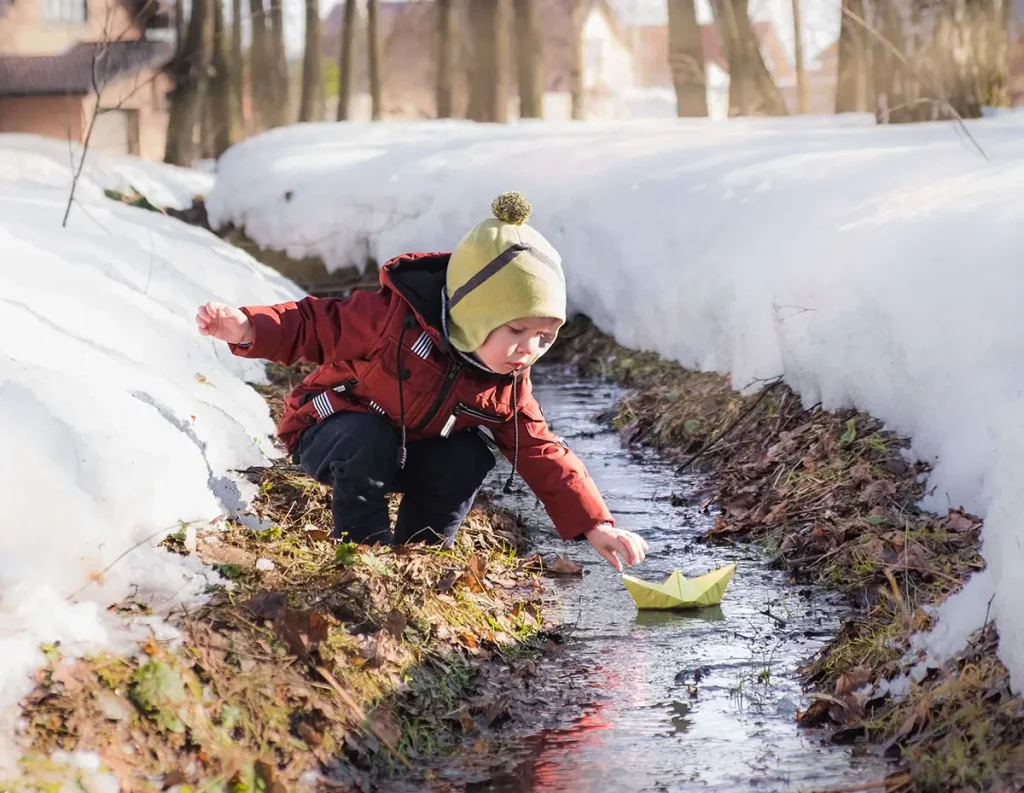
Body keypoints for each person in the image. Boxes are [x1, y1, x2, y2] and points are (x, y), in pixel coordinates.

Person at [196, 191, 647, 572]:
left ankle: (419, 556)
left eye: (544, 337)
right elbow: (315, 323)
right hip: (330, 433)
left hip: (406, 453)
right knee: (367, 435)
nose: (528, 349)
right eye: (515, 331)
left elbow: (538, 447)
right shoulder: (391, 321)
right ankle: (363, 554)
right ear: (475, 313)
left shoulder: (505, 382)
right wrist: (247, 328)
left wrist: (596, 524)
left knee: (469, 455)